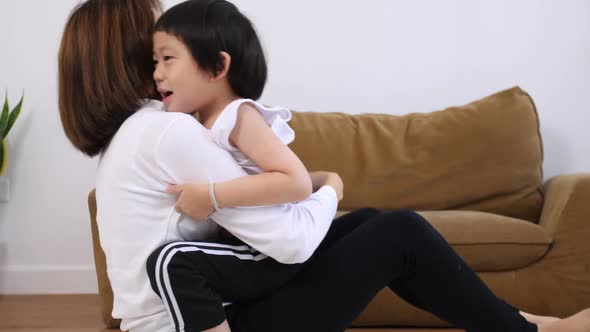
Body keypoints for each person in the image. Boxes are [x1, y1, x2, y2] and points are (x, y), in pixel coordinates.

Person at [57, 1, 590, 332]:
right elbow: (289, 241)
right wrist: (328, 188)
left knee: (370, 223)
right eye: (156, 51)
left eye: (166, 55)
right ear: (132, 53)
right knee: (398, 232)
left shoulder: (134, 136)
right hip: (204, 321)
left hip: (182, 314)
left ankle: (518, 323)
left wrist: (307, 192)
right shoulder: (166, 131)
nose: (160, 63)